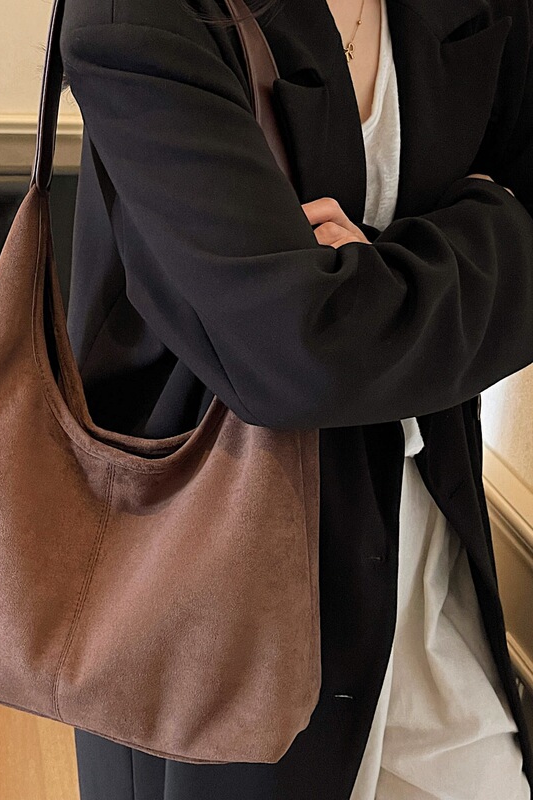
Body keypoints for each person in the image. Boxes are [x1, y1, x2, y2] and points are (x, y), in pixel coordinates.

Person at [59, 0, 533, 796]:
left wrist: (366, 275)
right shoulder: (137, 14)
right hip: (222, 603)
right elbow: (291, 352)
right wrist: (488, 227)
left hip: (431, 570)